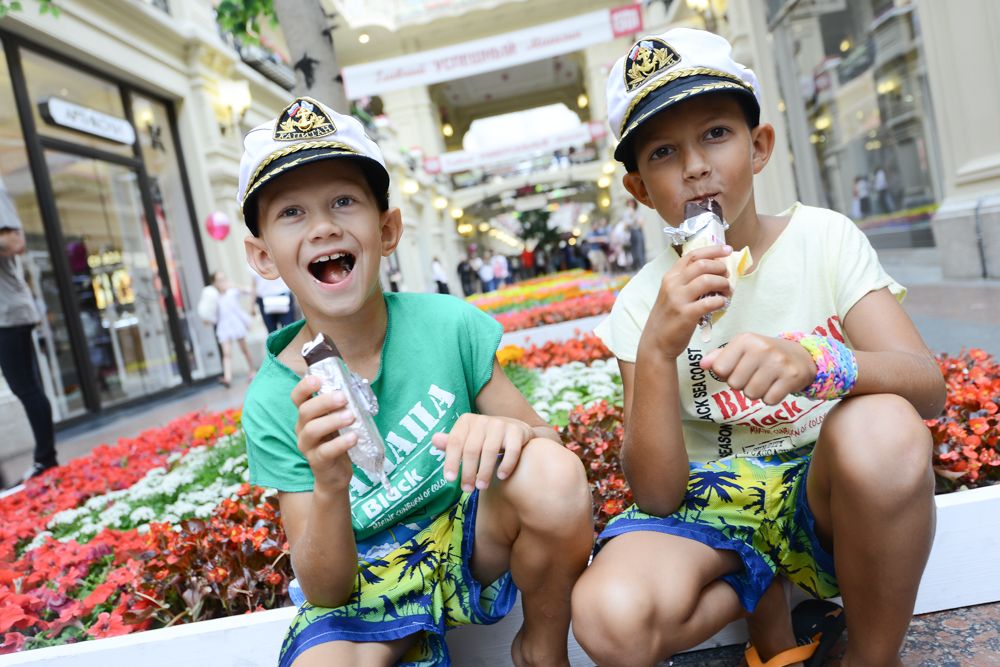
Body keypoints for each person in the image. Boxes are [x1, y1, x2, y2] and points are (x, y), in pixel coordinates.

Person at [570, 29, 945, 667]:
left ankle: (872, 656)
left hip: (825, 489)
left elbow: (926, 386)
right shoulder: (641, 302)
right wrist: (659, 348)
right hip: (712, 510)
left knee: (884, 429)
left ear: (760, 145)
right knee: (610, 620)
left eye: (717, 134)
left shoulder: (823, 239)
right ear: (639, 189)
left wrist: (816, 362)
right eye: (663, 152)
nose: (694, 165)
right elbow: (657, 493)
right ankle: (758, 580)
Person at [238, 97, 592, 666]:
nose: (324, 225)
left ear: (388, 229)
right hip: (358, 586)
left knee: (550, 475)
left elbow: (552, 452)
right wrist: (330, 485)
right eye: (292, 213)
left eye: (343, 201)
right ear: (262, 257)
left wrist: (507, 432)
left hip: (464, 543)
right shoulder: (274, 398)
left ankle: (543, 652)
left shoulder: (448, 325)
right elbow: (327, 586)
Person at [0, 202, 57, 481]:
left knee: (26, 388)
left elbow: (14, 241)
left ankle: (47, 460)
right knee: (24, 386)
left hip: (9, 314)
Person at [201, 271, 257, 387]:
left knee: (244, 349)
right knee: (226, 352)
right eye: (220, 280)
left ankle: (252, 370)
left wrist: (234, 285)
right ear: (215, 283)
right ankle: (228, 377)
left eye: (224, 279)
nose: (223, 282)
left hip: (236, 324)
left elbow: (248, 290)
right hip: (224, 327)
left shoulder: (232, 292)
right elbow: (210, 314)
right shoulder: (214, 297)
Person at [250, 267, 297, 333]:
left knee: (289, 330)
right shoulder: (253, 263)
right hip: (264, 300)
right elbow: (254, 285)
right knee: (272, 332)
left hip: (283, 297)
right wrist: (252, 305)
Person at [624, 198, 647, 270]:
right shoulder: (627, 213)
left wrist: (635, 217)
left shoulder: (638, 212)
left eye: (632, 203)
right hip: (633, 231)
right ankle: (638, 265)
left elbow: (641, 222)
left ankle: (643, 264)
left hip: (639, 230)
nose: (631, 204)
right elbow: (626, 224)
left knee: (641, 247)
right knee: (636, 248)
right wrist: (633, 216)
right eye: (629, 203)